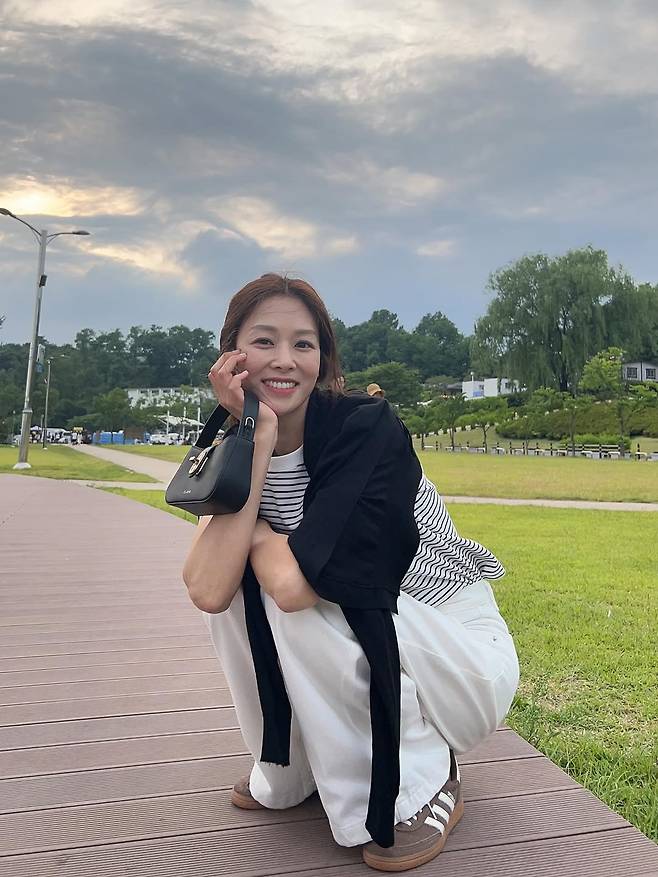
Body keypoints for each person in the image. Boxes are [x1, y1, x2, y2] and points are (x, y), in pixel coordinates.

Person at [182, 273, 519, 872]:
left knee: (304, 595)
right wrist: (258, 440)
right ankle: (288, 765)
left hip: (455, 653)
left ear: (324, 358)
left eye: (303, 344)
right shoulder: (237, 440)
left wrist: (254, 531)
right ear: (230, 356)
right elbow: (209, 589)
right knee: (242, 589)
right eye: (263, 341)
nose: (284, 360)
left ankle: (419, 782)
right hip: (375, 628)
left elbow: (297, 588)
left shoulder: (365, 428)